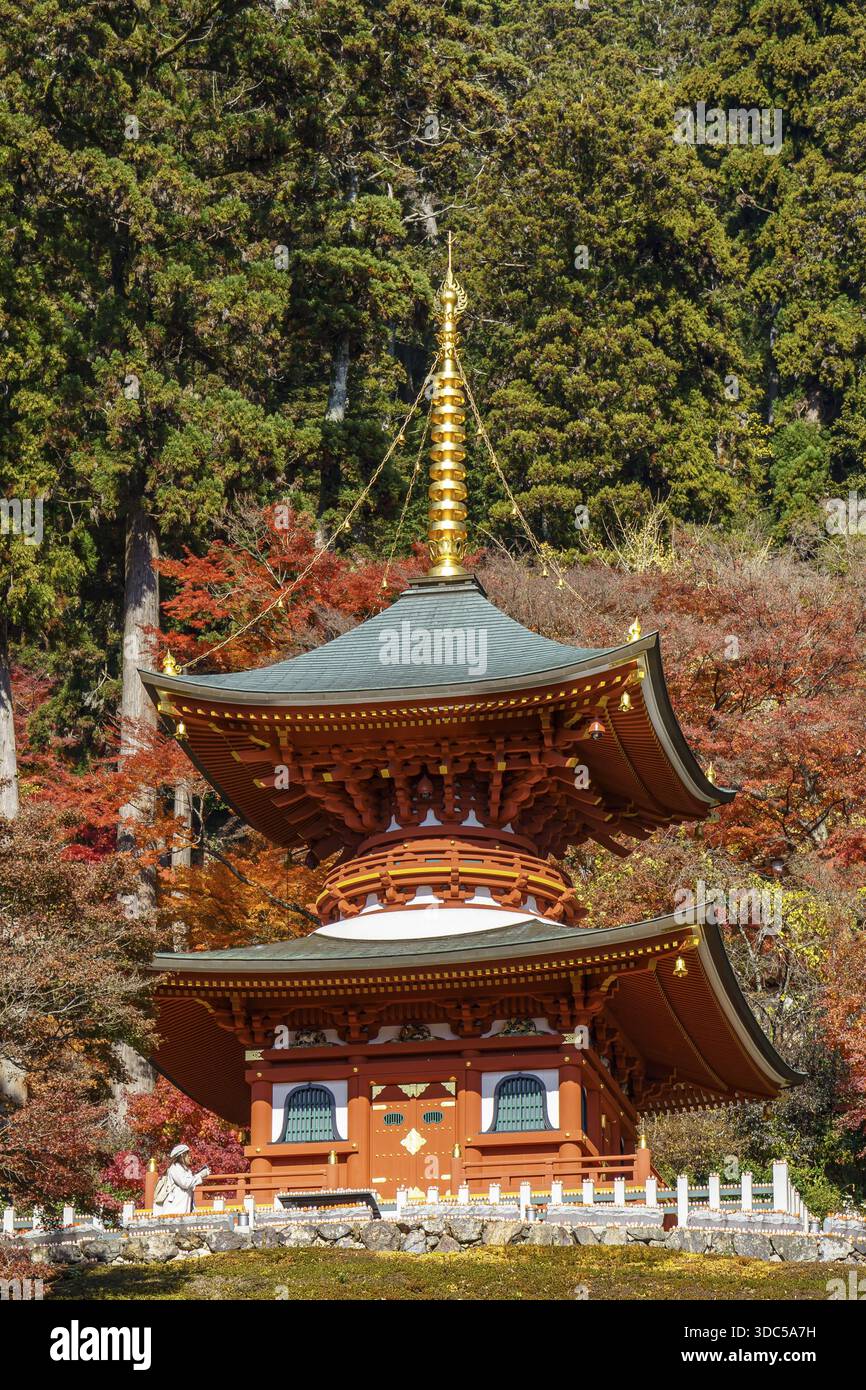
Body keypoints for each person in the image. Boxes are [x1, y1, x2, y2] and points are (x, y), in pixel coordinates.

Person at [152, 1144, 210, 1215]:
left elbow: (190, 1184)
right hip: (174, 1210)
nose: (190, 1157)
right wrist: (200, 1175)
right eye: (188, 1155)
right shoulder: (174, 1168)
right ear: (182, 1155)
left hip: (182, 1209)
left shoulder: (186, 1171)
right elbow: (185, 1183)